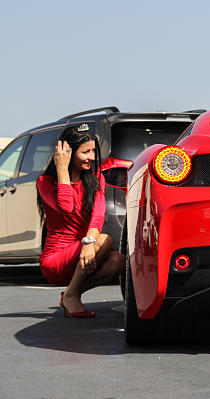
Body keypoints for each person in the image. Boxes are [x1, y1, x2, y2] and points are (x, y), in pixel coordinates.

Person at [37, 124, 125, 317]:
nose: (92, 157)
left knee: (118, 261)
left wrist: (88, 243)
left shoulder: (96, 179)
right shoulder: (45, 182)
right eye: (85, 152)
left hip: (86, 254)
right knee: (104, 240)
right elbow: (66, 207)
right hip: (56, 259)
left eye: (93, 151)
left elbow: (98, 216)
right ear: (68, 153)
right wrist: (62, 169)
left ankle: (71, 293)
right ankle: (72, 296)